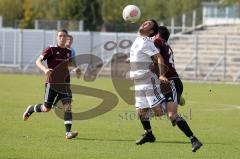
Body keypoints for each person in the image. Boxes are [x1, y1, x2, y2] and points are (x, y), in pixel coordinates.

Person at [22, 29, 81, 139]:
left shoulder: (69, 52)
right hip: (52, 83)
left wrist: (76, 69)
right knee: (46, 108)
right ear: (57, 37)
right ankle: (31, 109)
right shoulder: (51, 49)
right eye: (60, 36)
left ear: (67, 37)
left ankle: (68, 133)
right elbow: (38, 61)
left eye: (64, 36)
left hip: (65, 84)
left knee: (68, 106)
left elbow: (71, 64)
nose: (62, 38)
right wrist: (45, 69)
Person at [152, 26, 203, 152]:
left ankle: (194, 139)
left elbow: (157, 60)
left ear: (158, 35)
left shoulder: (157, 42)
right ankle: (177, 98)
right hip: (167, 84)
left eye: (154, 34)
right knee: (156, 111)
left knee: (171, 115)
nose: (152, 36)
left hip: (171, 83)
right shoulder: (165, 45)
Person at [129, 19, 166, 145]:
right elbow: (142, 56)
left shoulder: (147, 42)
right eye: (144, 22)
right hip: (137, 81)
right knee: (140, 111)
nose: (144, 23)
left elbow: (159, 57)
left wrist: (161, 75)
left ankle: (171, 98)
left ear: (151, 31)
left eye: (148, 24)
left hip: (147, 80)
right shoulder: (137, 40)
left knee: (159, 112)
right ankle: (149, 133)